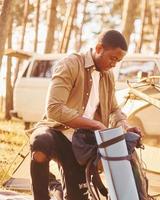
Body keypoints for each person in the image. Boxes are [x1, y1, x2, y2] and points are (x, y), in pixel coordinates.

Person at [30, 30, 141, 200]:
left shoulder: (108, 76)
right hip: (56, 132)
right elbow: (54, 108)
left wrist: (126, 126)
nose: (114, 64)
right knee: (40, 144)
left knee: (76, 196)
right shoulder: (70, 64)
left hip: (81, 143)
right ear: (98, 48)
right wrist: (94, 124)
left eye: (118, 61)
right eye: (112, 58)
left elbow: (114, 110)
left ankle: (54, 186)